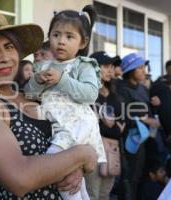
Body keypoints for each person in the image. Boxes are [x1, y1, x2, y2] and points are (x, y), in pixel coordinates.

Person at [0, 10, 97, 200]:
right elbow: (20, 178)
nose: (4, 57)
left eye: (9, 46)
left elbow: (69, 135)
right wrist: (83, 154)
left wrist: (74, 169)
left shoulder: (31, 94)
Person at [24, 6, 106, 200]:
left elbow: (90, 94)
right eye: (56, 35)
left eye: (69, 37)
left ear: (82, 42)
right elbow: (29, 95)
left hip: (75, 126)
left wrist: (62, 80)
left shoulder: (82, 65)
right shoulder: (43, 66)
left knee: (55, 164)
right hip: (56, 125)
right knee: (76, 181)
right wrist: (37, 81)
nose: (61, 41)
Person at [118, 52, 161, 200]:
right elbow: (121, 116)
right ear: (130, 70)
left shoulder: (143, 89)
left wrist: (155, 105)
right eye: (140, 67)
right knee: (128, 179)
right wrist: (144, 120)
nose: (144, 70)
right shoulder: (120, 89)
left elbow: (147, 112)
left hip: (143, 141)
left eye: (144, 67)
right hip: (128, 142)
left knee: (137, 177)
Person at [85, 51, 124, 200]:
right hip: (93, 151)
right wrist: (109, 126)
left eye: (112, 66)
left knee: (105, 194)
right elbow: (90, 127)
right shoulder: (87, 93)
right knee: (92, 194)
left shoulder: (115, 95)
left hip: (112, 151)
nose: (111, 70)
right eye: (106, 66)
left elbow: (120, 130)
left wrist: (103, 123)